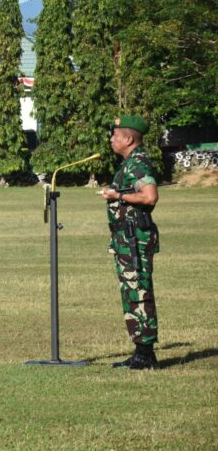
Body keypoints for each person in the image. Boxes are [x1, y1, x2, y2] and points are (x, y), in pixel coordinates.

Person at [100, 115, 160, 370]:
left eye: (115, 135)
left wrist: (118, 196)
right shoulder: (129, 163)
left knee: (138, 290)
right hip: (127, 238)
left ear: (128, 139)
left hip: (134, 239)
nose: (112, 140)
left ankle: (145, 355)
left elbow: (149, 196)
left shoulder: (138, 163)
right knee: (132, 290)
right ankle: (142, 351)